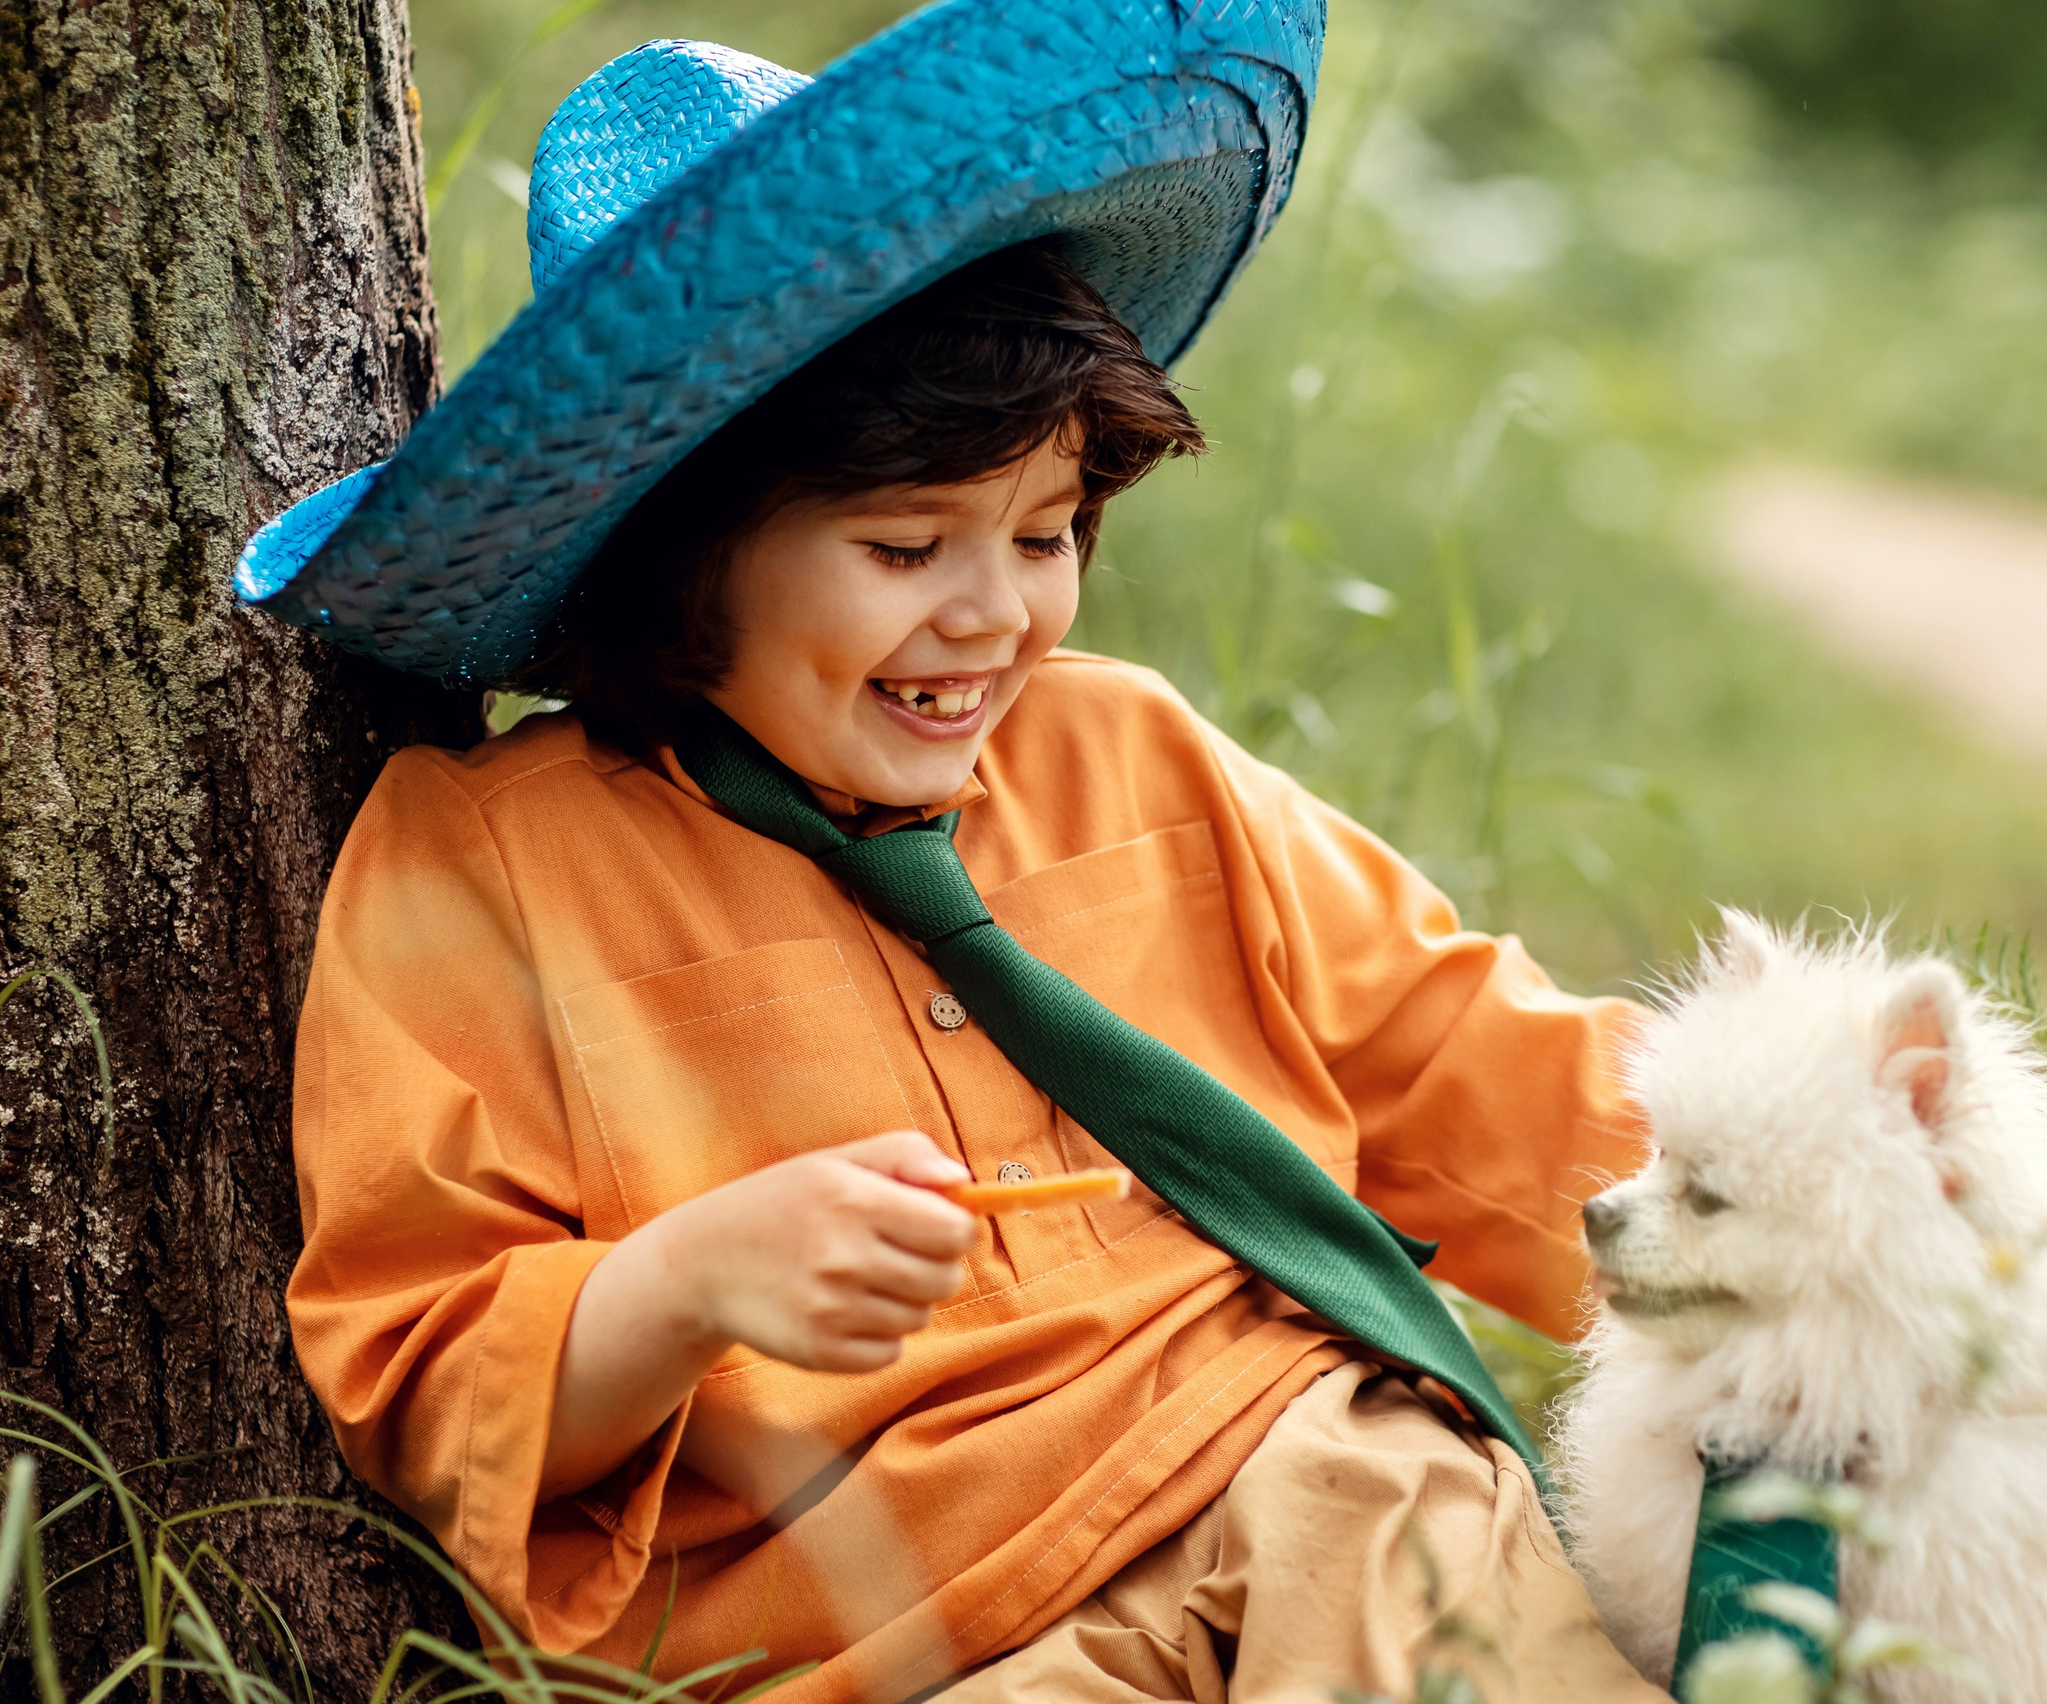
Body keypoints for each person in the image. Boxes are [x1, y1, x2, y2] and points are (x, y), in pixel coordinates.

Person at [243, 8, 1669, 1702]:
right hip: (884, 1636)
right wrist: (682, 1283)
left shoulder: (1127, 754)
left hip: (1298, 1466)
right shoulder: (485, 860)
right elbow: (419, 1365)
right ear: (682, 546)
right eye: (907, 543)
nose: (996, 614)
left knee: (1434, 1577)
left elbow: (1470, 1063)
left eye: (1049, 532)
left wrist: (1827, 1190)